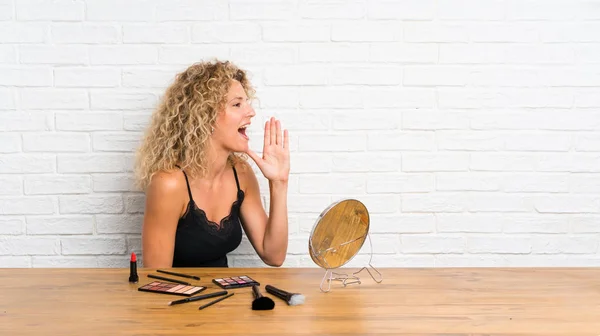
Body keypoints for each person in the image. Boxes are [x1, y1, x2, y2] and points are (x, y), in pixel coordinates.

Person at [134, 60, 290, 268]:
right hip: (178, 298)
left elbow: (273, 255)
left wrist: (279, 182)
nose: (251, 112)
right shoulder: (169, 183)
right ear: (205, 117)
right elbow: (156, 279)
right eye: (237, 104)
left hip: (226, 297)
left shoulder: (240, 173)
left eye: (247, 102)